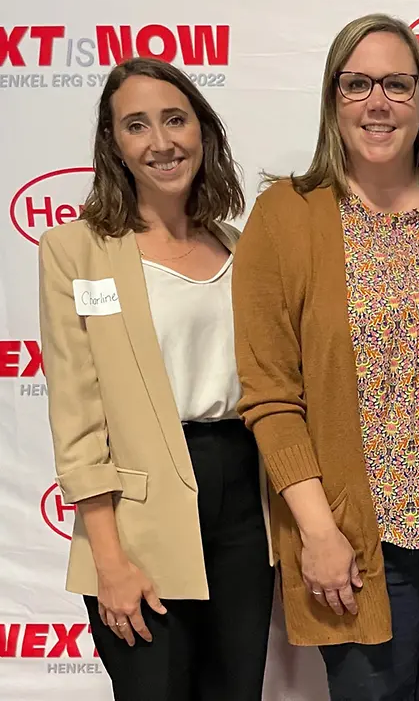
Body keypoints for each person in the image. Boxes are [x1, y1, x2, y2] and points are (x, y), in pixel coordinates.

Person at [231, 13, 419, 701]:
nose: (378, 102)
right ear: (333, 101)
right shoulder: (286, 215)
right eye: (356, 84)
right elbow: (271, 397)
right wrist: (318, 532)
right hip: (362, 534)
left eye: (397, 83)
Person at [37, 57, 274, 701]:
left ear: (203, 131)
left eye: (176, 119)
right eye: (136, 125)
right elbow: (77, 416)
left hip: (243, 501)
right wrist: (109, 560)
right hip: (135, 516)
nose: (161, 142)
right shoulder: (76, 250)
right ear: (113, 144)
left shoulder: (239, 244)